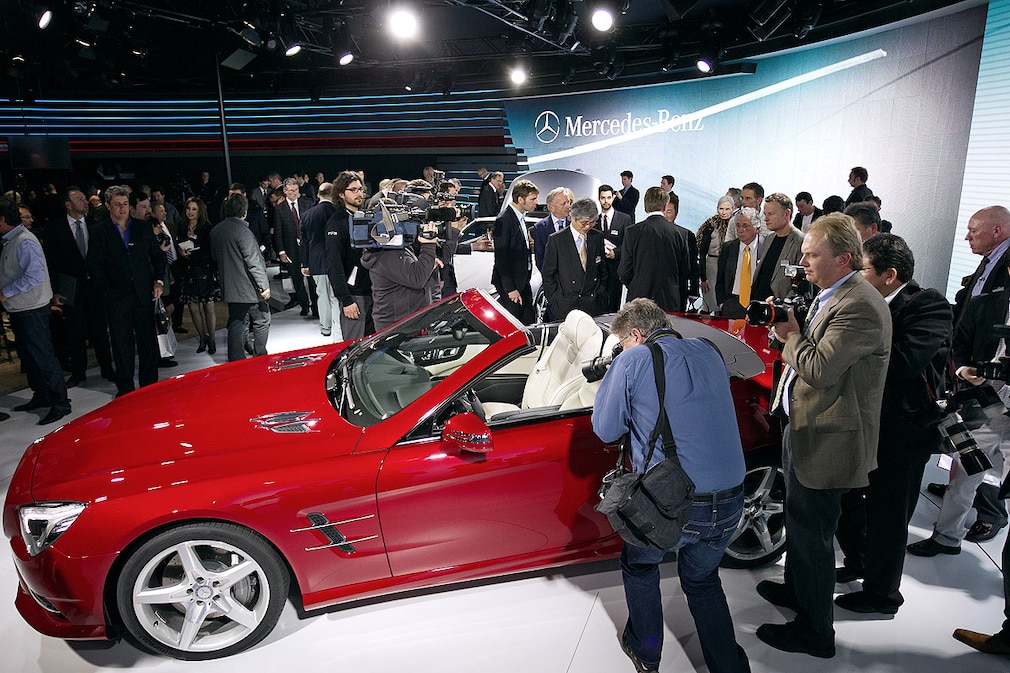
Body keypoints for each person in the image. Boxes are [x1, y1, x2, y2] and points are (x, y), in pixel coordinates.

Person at [755, 214, 891, 658]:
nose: (803, 262)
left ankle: (816, 633)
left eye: (812, 255)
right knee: (800, 523)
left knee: (813, 535)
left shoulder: (860, 305)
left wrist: (788, 336)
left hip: (831, 440)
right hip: (807, 428)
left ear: (843, 258)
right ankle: (798, 592)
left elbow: (819, 368)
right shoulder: (833, 295)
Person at [592, 297, 750, 673]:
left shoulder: (633, 358)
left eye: (622, 343)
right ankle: (728, 667)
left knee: (640, 565)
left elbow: (606, 430)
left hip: (674, 504)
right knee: (702, 580)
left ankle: (647, 652)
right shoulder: (709, 350)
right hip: (731, 500)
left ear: (635, 334)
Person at [832, 234, 952, 614]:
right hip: (863, 421)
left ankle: (883, 594)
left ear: (889, 275)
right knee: (846, 498)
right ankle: (860, 561)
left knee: (889, 513)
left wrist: (849, 350)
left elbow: (904, 363)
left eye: (862, 268)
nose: (854, 274)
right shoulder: (859, 301)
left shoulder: (928, 304)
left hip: (904, 429)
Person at [87, 185, 167, 397]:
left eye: (124, 204)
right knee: (122, 345)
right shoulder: (98, 232)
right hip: (116, 297)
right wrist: (105, 291)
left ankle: (150, 387)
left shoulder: (142, 228)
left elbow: (158, 257)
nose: (122, 209)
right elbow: (94, 266)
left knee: (147, 342)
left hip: (143, 294)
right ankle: (126, 390)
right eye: (117, 205)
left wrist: (158, 281)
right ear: (107, 206)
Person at [0, 196, 72, 425]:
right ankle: (41, 395)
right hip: (20, 309)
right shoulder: (11, 240)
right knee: (30, 357)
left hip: (31, 309)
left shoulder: (24, 241)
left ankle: (61, 402)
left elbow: (35, 275)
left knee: (42, 356)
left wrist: (6, 292)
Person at [43, 185, 114, 385]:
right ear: (68, 204)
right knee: (75, 331)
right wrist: (55, 291)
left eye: (84, 199)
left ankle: (107, 369)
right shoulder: (55, 230)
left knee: (100, 330)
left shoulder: (96, 225)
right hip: (71, 289)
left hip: (95, 287)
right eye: (80, 199)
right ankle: (78, 372)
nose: (85, 202)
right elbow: (51, 263)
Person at [210, 193, 271, 361]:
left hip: (229, 286)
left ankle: (236, 360)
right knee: (262, 319)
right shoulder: (243, 231)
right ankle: (260, 356)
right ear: (244, 211)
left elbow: (215, 258)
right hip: (249, 287)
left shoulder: (216, 231)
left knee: (236, 322)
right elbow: (253, 261)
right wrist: (264, 286)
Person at [360, 221, 442, 332]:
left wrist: (426, 264)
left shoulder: (396, 250)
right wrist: (428, 245)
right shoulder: (387, 255)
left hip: (408, 324)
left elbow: (412, 273)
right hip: (398, 328)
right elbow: (417, 279)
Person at [619, 187, 689, 313]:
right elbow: (684, 271)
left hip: (638, 300)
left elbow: (624, 271)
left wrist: (637, 285)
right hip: (669, 301)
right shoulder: (680, 233)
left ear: (645, 205)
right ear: (665, 206)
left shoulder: (632, 232)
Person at [325, 170, 374, 340]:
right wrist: (345, 299)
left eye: (360, 189)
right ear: (341, 194)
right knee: (354, 347)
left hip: (371, 292)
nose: (359, 193)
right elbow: (334, 265)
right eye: (353, 190)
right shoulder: (337, 222)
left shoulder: (363, 218)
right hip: (354, 295)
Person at [541, 197, 609, 319]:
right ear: (573, 217)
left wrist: (601, 292)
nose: (588, 226)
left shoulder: (597, 237)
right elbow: (548, 274)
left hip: (592, 305)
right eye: (584, 223)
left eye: (592, 222)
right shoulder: (556, 240)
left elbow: (602, 269)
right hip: (565, 306)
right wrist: (554, 300)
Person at [176, 197, 221, 353]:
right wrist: (181, 253)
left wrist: (193, 254)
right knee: (194, 309)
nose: (190, 212)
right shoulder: (181, 227)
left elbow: (211, 251)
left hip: (204, 271)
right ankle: (202, 339)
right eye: (188, 208)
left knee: (209, 308)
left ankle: (213, 340)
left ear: (200, 211)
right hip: (188, 272)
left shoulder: (207, 228)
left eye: (194, 209)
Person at [491, 178, 539, 324]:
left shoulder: (519, 217)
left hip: (522, 282)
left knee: (528, 323)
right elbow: (501, 258)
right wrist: (510, 288)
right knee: (514, 326)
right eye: (533, 199)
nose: (536, 202)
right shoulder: (504, 220)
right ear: (520, 199)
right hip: (511, 287)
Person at [300, 182, 341, 340]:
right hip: (337, 260)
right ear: (334, 194)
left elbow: (304, 242)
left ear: (318, 195)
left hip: (316, 262)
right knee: (336, 296)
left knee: (322, 295)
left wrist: (305, 263)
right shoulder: (338, 212)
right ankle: (338, 327)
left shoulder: (307, 215)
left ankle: (325, 327)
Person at [751, 193, 804, 302]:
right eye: (765, 214)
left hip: (780, 310)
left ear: (787, 213)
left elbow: (803, 283)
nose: (766, 219)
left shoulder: (801, 242)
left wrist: (783, 305)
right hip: (758, 305)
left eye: (770, 214)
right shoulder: (769, 238)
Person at [274, 177, 314, 315]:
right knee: (297, 280)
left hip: (308, 248)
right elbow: (278, 232)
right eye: (291, 190)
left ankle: (315, 308)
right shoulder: (279, 209)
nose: (294, 193)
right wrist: (281, 251)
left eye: (296, 190)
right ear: (285, 191)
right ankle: (304, 306)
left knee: (312, 280)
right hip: (291, 249)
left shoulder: (307, 203)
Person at [715, 207, 763, 319]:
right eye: (738, 225)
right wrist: (722, 303)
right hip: (731, 304)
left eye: (745, 226)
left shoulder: (766, 247)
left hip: (756, 305)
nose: (740, 230)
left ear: (757, 228)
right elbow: (720, 279)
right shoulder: (728, 248)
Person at [697, 195, 735, 314]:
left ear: (733, 209)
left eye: (727, 209)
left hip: (730, 264)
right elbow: (702, 253)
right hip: (712, 265)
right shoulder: (710, 226)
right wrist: (703, 278)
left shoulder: (736, 226)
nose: (724, 212)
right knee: (710, 299)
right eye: (721, 209)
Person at [597, 184, 632, 312]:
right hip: (597, 271)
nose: (606, 201)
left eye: (608, 197)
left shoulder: (624, 219)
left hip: (615, 270)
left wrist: (616, 253)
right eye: (602, 198)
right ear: (599, 198)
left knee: (613, 307)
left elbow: (629, 245)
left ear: (613, 198)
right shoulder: (594, 219)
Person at [663, 193, 699, 309]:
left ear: (676, 213)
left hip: (678, 290)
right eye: (663, 210)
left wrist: (694, 290)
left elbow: (693, 264)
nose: (665, 215)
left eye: (669, 211)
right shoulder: (650, 234)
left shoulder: (687, 235)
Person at [533, 187, 572, 271]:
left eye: (568, 202)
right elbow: (540, 259)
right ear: (552, 208)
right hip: (552, 280)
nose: (568, 206)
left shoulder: (575, 223)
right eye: (563, 203)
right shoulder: (540, 227)